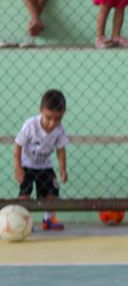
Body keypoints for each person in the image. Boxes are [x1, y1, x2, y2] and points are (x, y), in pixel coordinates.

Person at [13, 89, 69, 231]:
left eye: (58, 119)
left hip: (45, 166)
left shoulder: (59, 129)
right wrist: (18, 167)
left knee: (52, 193)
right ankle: (22, 221)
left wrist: (63, 169)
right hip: (27, 165)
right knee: (25, 195)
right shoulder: (30, 125)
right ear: (41, 111)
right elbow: (18, 145)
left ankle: (48, 220)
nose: (52, 123)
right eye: (48, 117)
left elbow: (60, 149)